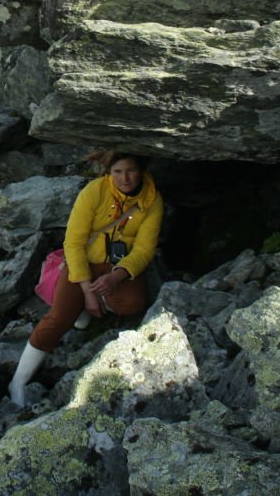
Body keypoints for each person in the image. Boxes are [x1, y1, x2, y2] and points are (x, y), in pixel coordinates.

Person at [8, 150, 164, 406]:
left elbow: (145, 249)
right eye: (118, 172)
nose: (125, 178)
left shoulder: (152, 199)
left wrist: (117, 276)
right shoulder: (94, 192)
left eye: (131, 171)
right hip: (84, 263)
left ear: (141, 171)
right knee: (58, 319)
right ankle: (17, 382)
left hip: (117, 266)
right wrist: (87, 290)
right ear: (108, 173)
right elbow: (74, 242)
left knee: (133, 303)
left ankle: (87, 308)